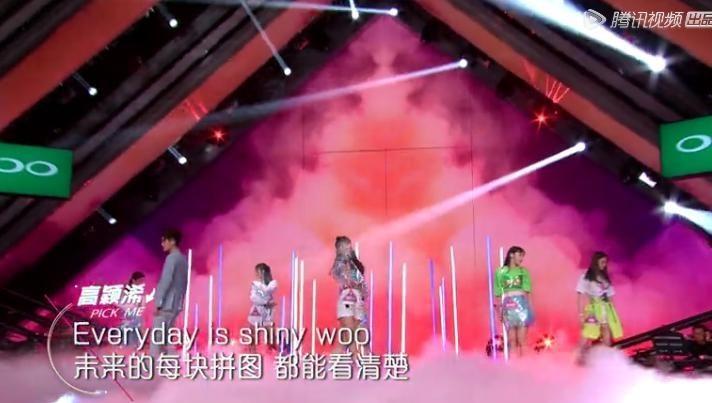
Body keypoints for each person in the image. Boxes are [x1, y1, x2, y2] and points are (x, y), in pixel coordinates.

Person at [576, 251, 623, 362]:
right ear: (596, 262)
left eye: (605, 262)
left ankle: (606, 357)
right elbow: (580, 295)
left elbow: (610, 296)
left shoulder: (605, 277)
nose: (604, 264)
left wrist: (615, 314)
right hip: (593, 308)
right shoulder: (586, 276)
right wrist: (581, 314)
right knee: (588, 331)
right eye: (602, 262)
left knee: (607, 329)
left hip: (606, 308)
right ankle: (578, 356)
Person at [150, 229, 188, 357]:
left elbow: (166, 280)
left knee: (157, 341)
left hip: (166, 305)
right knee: (166, 341)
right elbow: (184, 283)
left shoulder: (172, 258)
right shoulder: (183, 259)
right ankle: (169, 366)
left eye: (164, 241)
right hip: (176, 305)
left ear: (172, 241)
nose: (162, 244)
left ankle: (154, 367)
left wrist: (158, 303)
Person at [330, 236, 368, 355]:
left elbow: (360, 282)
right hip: (347, 300)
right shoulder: (339, 264)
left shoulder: (354, 263)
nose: (347, 248)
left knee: (346, 340)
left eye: (348, 245)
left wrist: (363, 293)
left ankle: (334, 361)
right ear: (339, 248)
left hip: (358, 301)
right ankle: (358, 360)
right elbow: (338, 276)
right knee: (350, 335)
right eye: (344, 246)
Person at [494, 246, 534, 357]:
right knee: (511, 340)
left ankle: (524, 364)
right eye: (520, 255)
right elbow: (498, 293)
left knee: (522, 340)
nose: (522, 258)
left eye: (523, 256)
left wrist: (530, 310)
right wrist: (499, 311)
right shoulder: (500, 272)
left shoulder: (523, 271)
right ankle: (513, 364)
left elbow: (528, 292)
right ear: (511, 254)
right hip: (508, 306)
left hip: (522, 306)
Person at [247, 263, 278, 352]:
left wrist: (259, 288)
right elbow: (253, 297)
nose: (256, 274)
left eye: (258, 271)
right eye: (256, 272)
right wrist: (265, 302)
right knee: (252, 335)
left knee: (270, 335)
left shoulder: (273, 283)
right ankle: (252, 354)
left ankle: (272, 354)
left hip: (267, 312)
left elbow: (268, 291)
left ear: (263, 272)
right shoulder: (255, 284)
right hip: (256, 310)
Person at [119, 271, 146, 349]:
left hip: (136, 314)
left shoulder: (141, 291)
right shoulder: (126, 290)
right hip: (128, 313)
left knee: (137, 328)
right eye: (140, 280)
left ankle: (136, 345)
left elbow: (142, 303)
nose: (142, 282)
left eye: (143, 281)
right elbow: (120, 303)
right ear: (134, 280)